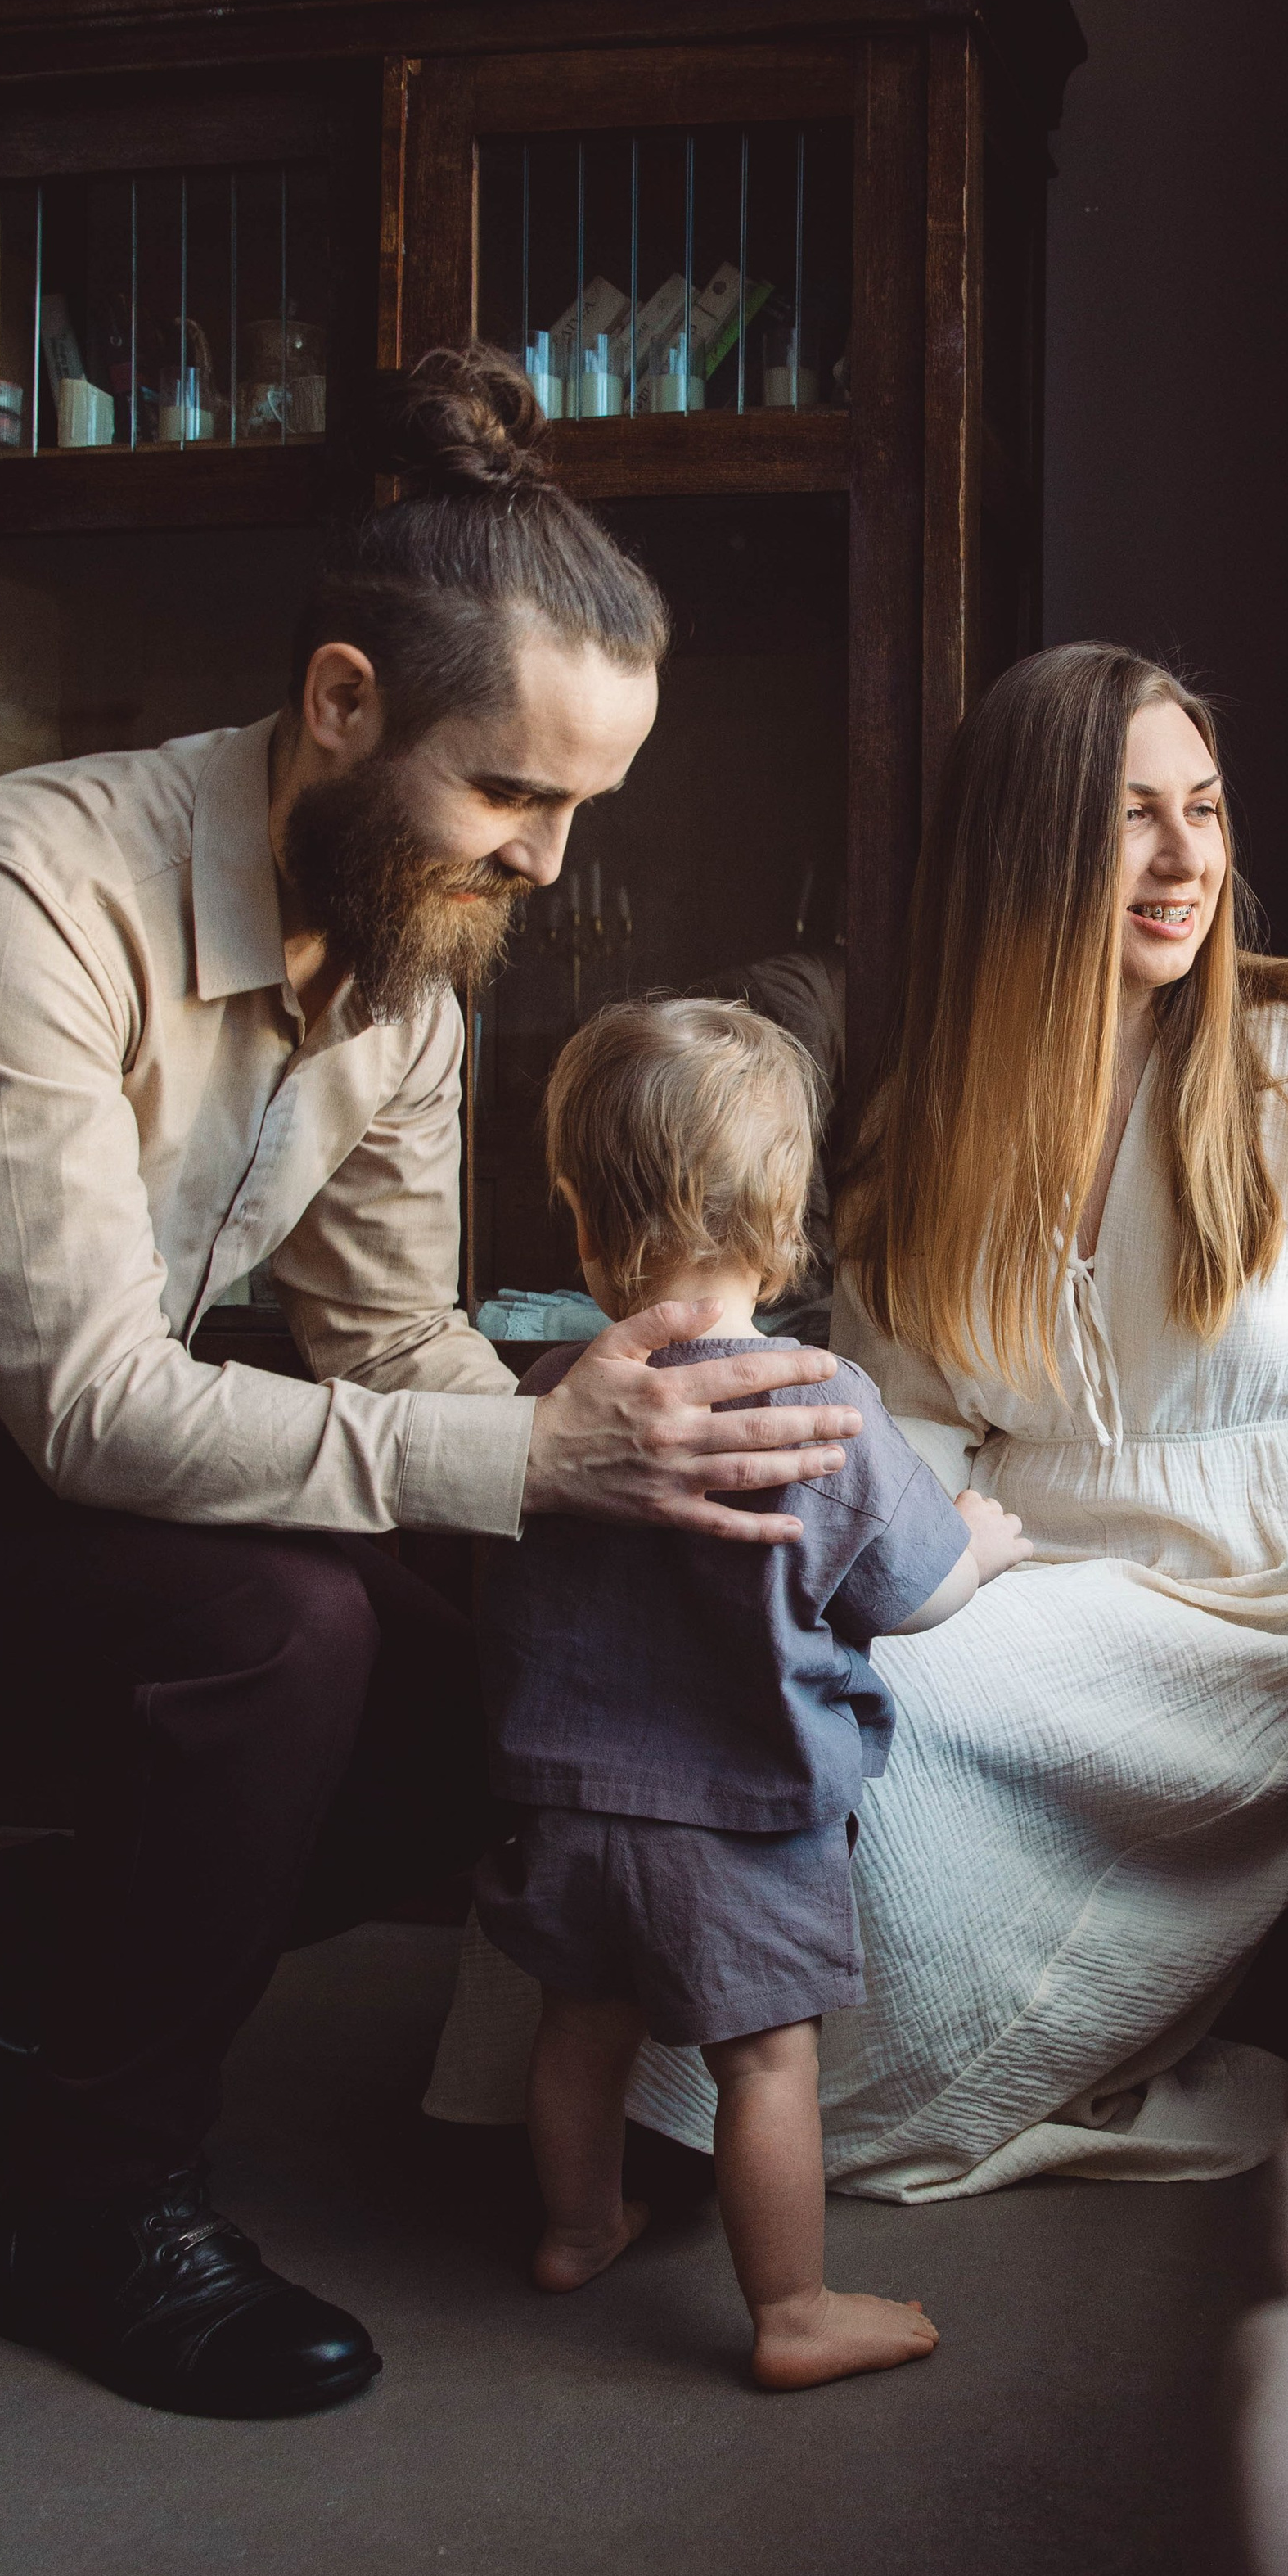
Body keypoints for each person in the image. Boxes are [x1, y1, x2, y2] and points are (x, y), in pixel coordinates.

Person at [0, 343, 866, 2419]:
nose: (549, 864)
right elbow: (90, 1415)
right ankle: (94, 2205)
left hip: (93, 1440)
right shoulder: (9, 895)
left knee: (509, 1664)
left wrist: (637, 1465)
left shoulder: (405, 965)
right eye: (513, 796)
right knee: (285, 1636)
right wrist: (530, 1457)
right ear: (338, 706)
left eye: (586, 807)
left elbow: (390, 1346)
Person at [433, 641, 1288, 2199]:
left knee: (885, 1745)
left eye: (1202, 809)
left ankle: (726, 2127)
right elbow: (900, 1426)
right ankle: (590, 2112)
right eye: (1135, 817)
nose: (1187, 858)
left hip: (1242, 1602)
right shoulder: (937, 1110)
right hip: (988, 1552)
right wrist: (795, 1586)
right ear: (1028, 846)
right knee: (713, 1681)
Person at [477, 998, 1029, 2385]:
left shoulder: (549, 1397)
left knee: (578, 2027)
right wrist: (983, 1540)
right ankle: (790, 2312)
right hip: (743, 1822)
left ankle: (576, 2226)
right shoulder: (820, 1405)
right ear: (788, 1226)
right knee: (766, 2065)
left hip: (563, 1804)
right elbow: (915, 1594)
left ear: (586, 1224)